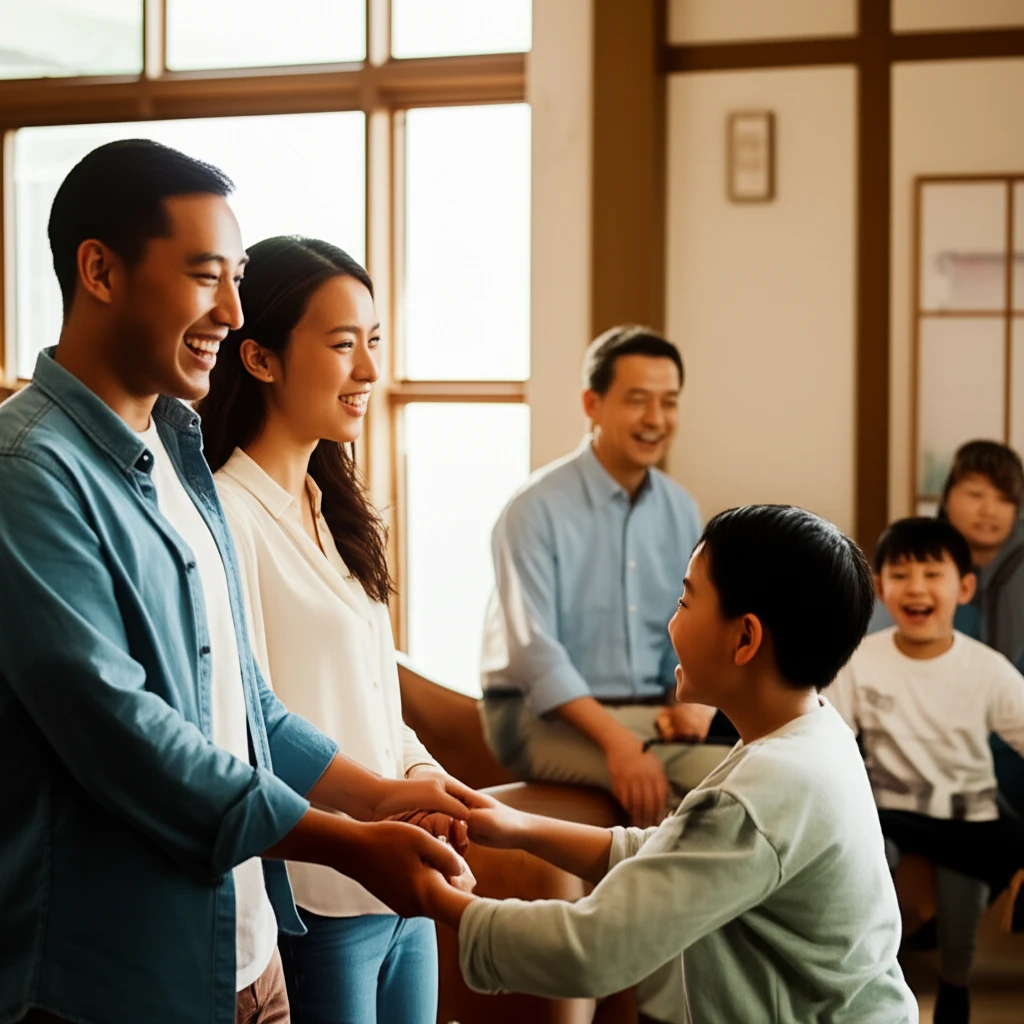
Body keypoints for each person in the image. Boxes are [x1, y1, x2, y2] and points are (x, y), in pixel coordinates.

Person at [0, 140, 475, 1024]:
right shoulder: (27, 472)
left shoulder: (177, 458)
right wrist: (348, 841)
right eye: (206, 275)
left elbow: (244, 704)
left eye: (240, 276)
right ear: (99, 270)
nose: (233, 309)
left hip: (247, 954)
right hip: (117, 979)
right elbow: (127, 737)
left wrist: (380, 795)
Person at [426, 505, 917, 1024]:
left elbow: (594, 950)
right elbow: (678, 850)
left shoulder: (764, 791)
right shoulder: (812, 733)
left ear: (745, 639)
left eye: (685, 601)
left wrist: (439, 901)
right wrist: (520, 828)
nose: (671, 622)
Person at [197, 235, 465, 1024]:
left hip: (400, 890)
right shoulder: (226, 517)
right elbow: (254, 722)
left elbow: (374, 691)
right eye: (343, 344)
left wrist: (420, 778)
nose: (370, 372)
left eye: (374, 342)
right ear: (260, 359)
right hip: (317, 902)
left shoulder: (332, 508)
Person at [480, 325, 734, 832]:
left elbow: (687, 624)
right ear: (592, 404)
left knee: (756, 764)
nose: (655, 420)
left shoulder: (680, 508)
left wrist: (690, 706)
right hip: (538, 717)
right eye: (637, 401)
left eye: (669, 402)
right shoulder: (534, 509)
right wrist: (621, 744)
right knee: (725, 786)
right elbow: (535, 654)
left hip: (646, 714)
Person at [830, 517, 1024, 1024]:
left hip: (969, 820)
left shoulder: (987, 669)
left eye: (931, 573)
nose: (915, 587)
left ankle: (954, 990)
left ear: (963, 586)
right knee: (866, 854)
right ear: (879, 586)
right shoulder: (858, 661)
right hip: (890, 816)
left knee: (961, 922)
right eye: (901, 573)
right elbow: (828, 741)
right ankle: (875, 989)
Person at [939, 440, 1024, 817]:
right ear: (947, 497)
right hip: (939, 739)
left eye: (1004, 499)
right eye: (975, 494)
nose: (989, 510)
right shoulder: (920, 562)